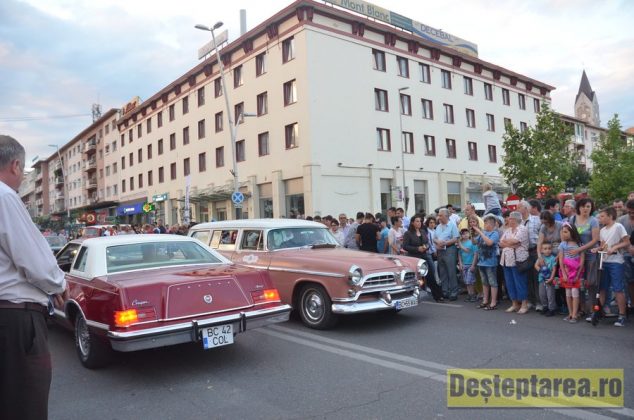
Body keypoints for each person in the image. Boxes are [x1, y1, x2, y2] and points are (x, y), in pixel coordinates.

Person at [0, 135, 69, 420]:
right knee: (25, 405)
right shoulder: (5, 197)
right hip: (15, 320)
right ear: (15, 165)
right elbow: (33, 259)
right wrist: (58, 284)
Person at [592, 207, 630, 327]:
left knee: (617, 288)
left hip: (616, 262)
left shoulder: (618, 226)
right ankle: (598, 312)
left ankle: (622, 314)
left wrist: (615, 247)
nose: (600, 219)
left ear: (610, 216)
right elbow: (603, 246)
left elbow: (626, 242)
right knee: (602, 288)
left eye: (602, 216)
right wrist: (597, 249)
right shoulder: (602, 230)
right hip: (604, 261)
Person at [402, 214, 443, 301]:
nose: (419, 223)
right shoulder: (408, 233)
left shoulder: (423, 231)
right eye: (417, 221)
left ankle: (438, 296)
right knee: (416, 278)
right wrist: (417, 249)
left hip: (425, 256)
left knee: (430, 275)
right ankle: (413, 295)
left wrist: (425, 247)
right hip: (414, 258)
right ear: (412, 223)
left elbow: (427, 243)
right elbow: (405, 246)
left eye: (420, 221)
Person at [500, 211, 530, 314]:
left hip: (518, 260)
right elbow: (501, 242)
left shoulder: (522, 229)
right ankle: (514, 304)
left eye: (510, 218)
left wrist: (509, 243)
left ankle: (524, 304)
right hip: (506, 260)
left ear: (514, 219)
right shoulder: (508, 230)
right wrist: (511, 244)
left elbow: (515, 241)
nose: (508, 220)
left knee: (520, 282)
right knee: (510, 282)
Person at [472, 214, 500, 310]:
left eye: (485, 223)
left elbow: (489, 243)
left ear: (491, 224)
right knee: (484, 282)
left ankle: (493, 302)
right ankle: (485, 300)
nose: (484, 225)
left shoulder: (495, 233)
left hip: (491, 263)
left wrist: (480, 232)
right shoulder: (483, 233)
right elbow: (474, 242)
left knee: (492, 282)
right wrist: (473, 233)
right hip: (481, 262)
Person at [559, 223, 584, 323]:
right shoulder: (563, 245)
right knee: (568, 292)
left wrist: (578, 274)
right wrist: (564, 273)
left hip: (576, 272)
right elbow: (561, 260)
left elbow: (582, 261)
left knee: (574, 291)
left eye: (565, 232)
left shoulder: (579, 245)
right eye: (562, 232)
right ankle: (570, 313)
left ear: (572, 232)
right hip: (566, 271)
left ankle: (575, 314)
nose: (563, 234)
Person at [434, 208, 460, 300]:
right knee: (442, 272)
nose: (439, 217)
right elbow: (434, 238)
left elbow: (456, 238)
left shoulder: (452, 225)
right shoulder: (438, 226)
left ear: (446, 216)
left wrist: (445, 243)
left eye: (440, 215)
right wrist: (437, 242)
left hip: (450, 249)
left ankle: (454, 292)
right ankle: (445, 291)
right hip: (440, 250)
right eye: (439, 215)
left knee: (451, 271)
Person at [617, 199, 634, 312]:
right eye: (629, 212)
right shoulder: (621, 221)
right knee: (629, 281)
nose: (631, 214)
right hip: (626, 254)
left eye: (633, 212)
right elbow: (617, 238)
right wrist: (628, 247)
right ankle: (632, 303)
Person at [534, 242, 557, 317]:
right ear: (541, 250)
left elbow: (554, 269)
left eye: (549, 248)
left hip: (549, 280)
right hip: (541, 279)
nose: (547, 250)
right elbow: (536, 265)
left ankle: (552, 309)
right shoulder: (541, 258)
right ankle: (545, 307)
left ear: (552, 249)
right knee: (542, 294)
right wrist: (541, 270)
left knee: (550, 295)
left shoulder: (553, 258)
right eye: (545, 249)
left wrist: (551, 278)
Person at [458, 228, 478, 302]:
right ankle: (469, 294)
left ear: (469, 234)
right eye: (463, 234)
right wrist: (460, 264)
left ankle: (473, 295)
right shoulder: (461, 243)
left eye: (466, 233)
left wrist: (473, 265)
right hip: (464, 264)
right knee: (466, 281)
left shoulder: (471, 242)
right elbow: (459, 254)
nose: (465, 235)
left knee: (470, 281)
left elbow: (475, 253)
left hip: (470, 264)